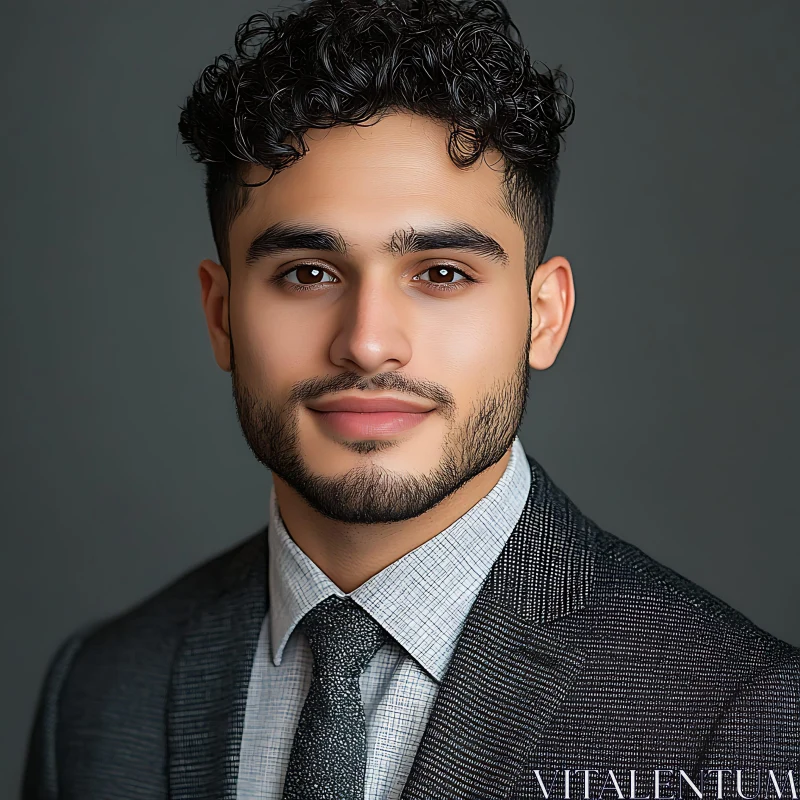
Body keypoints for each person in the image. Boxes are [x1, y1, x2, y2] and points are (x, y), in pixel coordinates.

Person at [22, 1, 800, 798]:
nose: (366, 341)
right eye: (306, 273)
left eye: (442, 273)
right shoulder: (98, 691)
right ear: (221, 315)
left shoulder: (741, 714)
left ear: (545, 314)